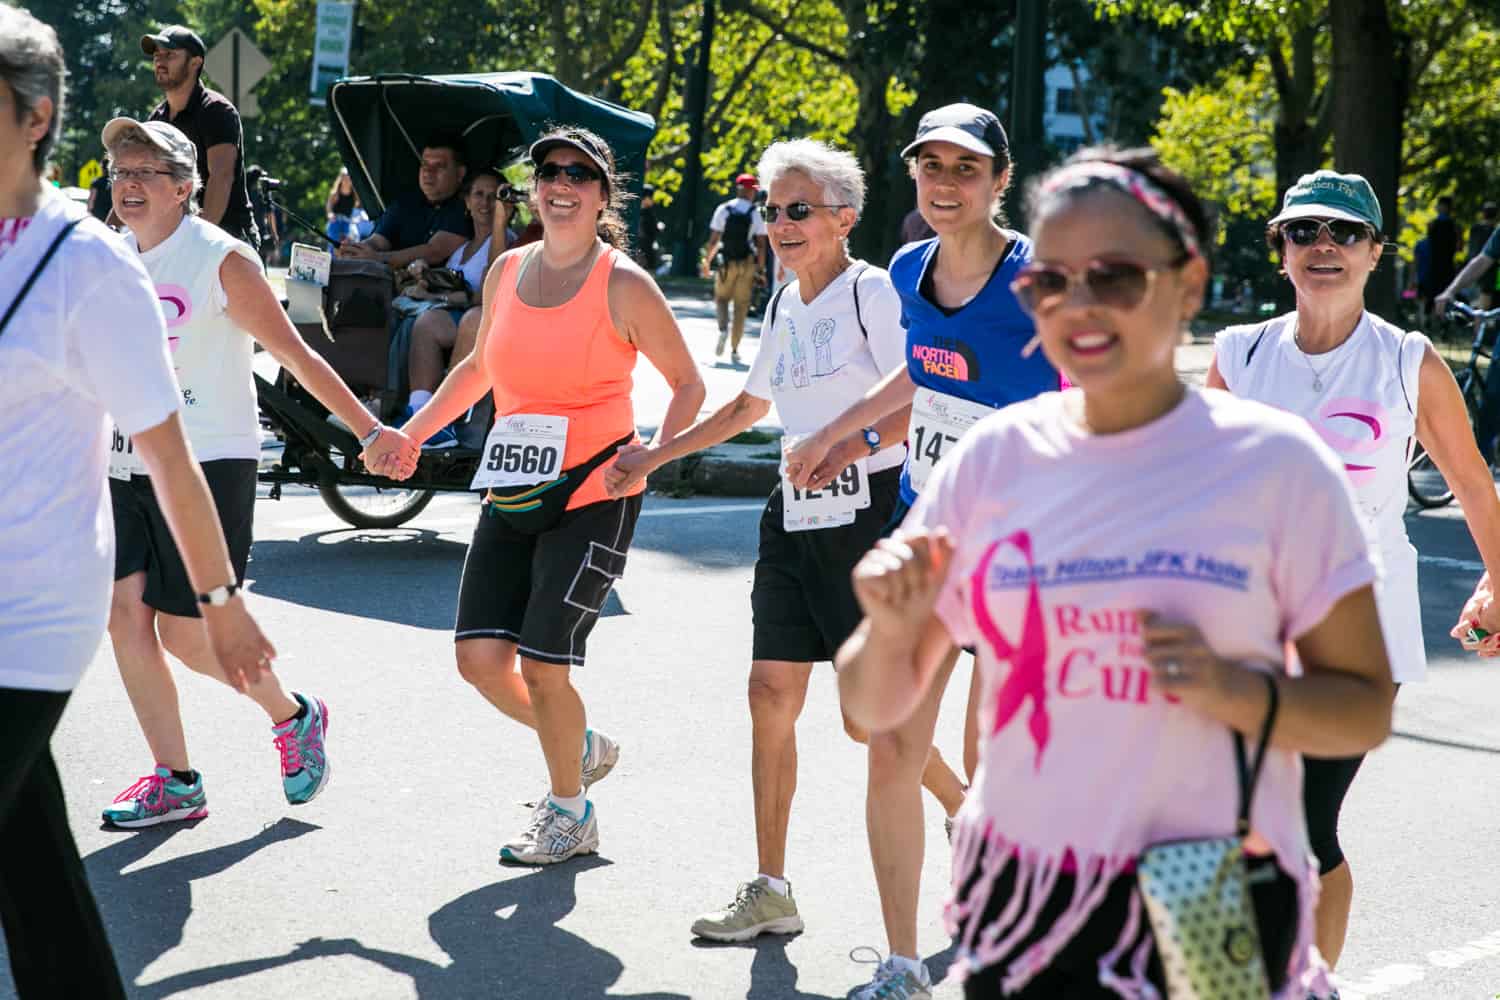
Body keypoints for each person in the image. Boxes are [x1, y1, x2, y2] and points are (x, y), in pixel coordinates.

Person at [838, 145, 1398, 999]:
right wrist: (890, 623)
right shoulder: (996, 458)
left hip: (1204, 877)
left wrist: (1235, 693)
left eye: (1115, 276)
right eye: (1052, 280)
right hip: (1024, 890)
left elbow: (1363, 704)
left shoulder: (1273, 463)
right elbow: (870, 708)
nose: (1080, 305)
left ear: (1189, 282)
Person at [604, 139, 958, 951]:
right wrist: (655, 457)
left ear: (844, 218)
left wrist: (849, 446)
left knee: (869, 720)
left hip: (870, 514)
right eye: (772, 210)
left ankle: (962, 805)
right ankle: (771, 890)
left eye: (800, 209)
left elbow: (923, 396)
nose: (781, 224)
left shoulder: (872, 292)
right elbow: (748, 407)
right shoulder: (783, 303)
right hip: (793, 513)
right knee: (769, 694)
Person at [0, 8, 275, 994]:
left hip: (30, 608)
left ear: (35, 117)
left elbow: (169, 451)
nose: (131, 184)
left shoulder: (87, 264)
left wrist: (221, 601)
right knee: (35, 878)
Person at [781, 102, 1061, 1000]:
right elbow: (925, 374)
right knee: (890, 745)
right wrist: (845, 436)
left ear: (1000, 180)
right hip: (926, 540)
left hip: (1021, 555)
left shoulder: (1042, 282)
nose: (946, 183)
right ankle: (904, 965)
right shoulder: (908, 269)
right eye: (931, 166)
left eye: (966, 168)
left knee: (991, 766)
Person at [384, 127, 705, 865]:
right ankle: (578, 745)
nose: (561, 184)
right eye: (549, 171)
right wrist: (411, 434)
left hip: (596, 489)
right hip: (513, 486)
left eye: (579, 174)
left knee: (543, 666)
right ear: (533, 187)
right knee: (478, 661)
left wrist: (653, 454)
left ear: (602, 195)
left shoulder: (624, 284)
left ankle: (569, 811)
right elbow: (477, 370)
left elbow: (688, 383)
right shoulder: (508, 270)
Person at [1209, 169, 1500, 969]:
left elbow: (1473, 484)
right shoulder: (1240, 355)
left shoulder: (1406, 361)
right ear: (1281, 251)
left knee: (1304, 823)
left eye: (1345, 232)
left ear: (1375, 252)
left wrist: (1497, 584)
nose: (1324, 245)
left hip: (1361, 626)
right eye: (1304, 231)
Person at [98, 118, 411, 828]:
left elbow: (296, 354)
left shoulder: (220, 260)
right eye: (121, 172)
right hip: (120, 460)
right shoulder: (108, 257)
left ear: (185, 187)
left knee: (185, 635)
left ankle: (292, 714)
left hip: (206, 464)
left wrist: (369, 432)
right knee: (124, 615)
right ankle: (176, 781)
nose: (130, 184)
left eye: (146, 172)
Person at [400, 166, 511, 448]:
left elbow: (489, 291)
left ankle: (445, 418)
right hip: (453, 313)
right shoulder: (462, 249)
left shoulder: (506, 239)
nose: (485, 203)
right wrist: (423, 280)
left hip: (485, 319)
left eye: (493, 196)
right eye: (479, 195)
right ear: (467, 201)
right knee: (425, 323)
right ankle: (418, 409)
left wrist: (500, 222)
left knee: (464, 319)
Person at [141, 25, 258, 249]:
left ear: (195, 63)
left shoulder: (216, 111)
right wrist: (109, 234)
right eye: (156, 56)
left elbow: (221, 177)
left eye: (169, 55)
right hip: (180, 237)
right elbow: (140, 177)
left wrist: (196, 241)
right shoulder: (157, 118)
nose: (160, 62)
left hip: (227, 237)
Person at [337, 133, 471, 270]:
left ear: (460, 173)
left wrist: (378, 258)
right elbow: (378, 241)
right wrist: (356, 250)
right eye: (424, 164)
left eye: (439, 166)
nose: (427, 172)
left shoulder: (468, 206)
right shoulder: (406, 202)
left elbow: (435, 251)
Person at [701, 172, 768, 364]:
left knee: (721, 299)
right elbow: (761, 245)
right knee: (741, 306)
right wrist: (761, 270)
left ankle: (723, 329)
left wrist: (707, 262)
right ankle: (735, 348)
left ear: (738, 189)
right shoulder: (756, 213)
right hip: (747, 263)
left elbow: (713, 241)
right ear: (751, 192)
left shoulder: (724, 209)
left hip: (726, 263)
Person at [325, 166, 361, 246]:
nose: (347, 180)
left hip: (348, 221)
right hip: (335, 221)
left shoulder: (355, 193)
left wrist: (357, 217)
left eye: (348, 177)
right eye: (344, 177)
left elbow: (358, 205)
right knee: (333, 243)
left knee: (352, 241)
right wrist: (330, 214)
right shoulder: (335, 192)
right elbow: (329, 205)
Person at [636, 181, 660, 272]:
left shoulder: (647, 213)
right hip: (644, 249)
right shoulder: (645, 214)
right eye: (651, 198)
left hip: (646, 250)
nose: (652, 200)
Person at [87, 156, 112, 222]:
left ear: (102, 168)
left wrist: (88, 213)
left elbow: (91, 200)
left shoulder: (96, 182)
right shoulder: (115, 183)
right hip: (111, 216)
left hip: (98, 216)